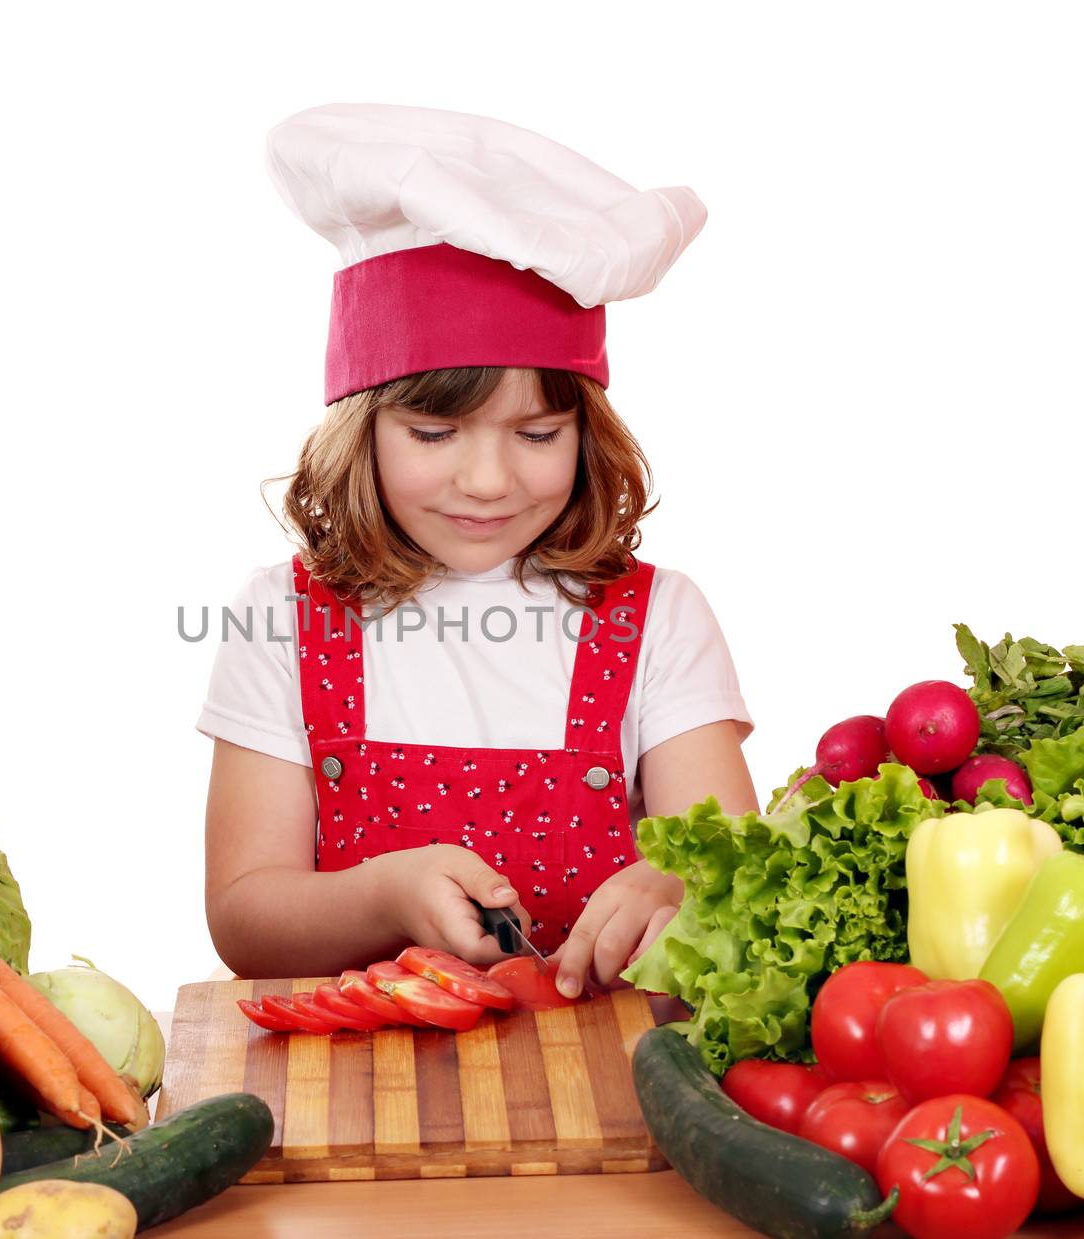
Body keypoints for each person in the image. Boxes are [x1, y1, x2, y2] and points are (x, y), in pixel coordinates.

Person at [197, 103, 759, 1002]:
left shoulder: (661, 619)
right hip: (357, 1091)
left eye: (537, 433)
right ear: (361, 427)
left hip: (607, 1084)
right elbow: (244, 919)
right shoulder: (282, 618)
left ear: (588, 429)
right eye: (434, 431)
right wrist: (385, 892)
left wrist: (679, 884)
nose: (490, 480)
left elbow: (736, 872)